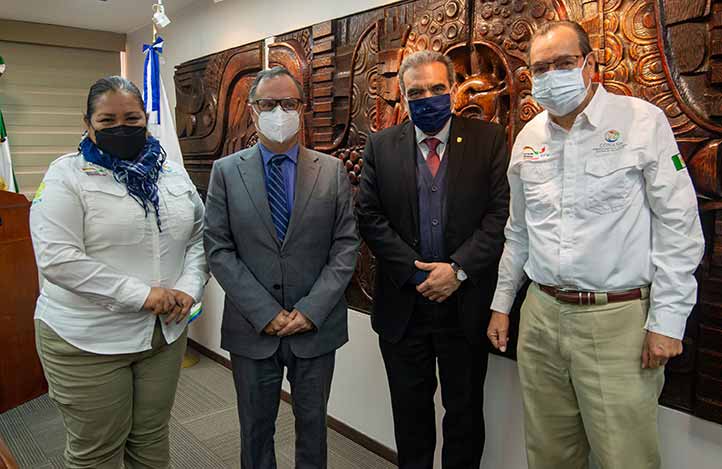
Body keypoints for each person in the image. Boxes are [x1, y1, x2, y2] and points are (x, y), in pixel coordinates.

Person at [487, 21, 706, 469]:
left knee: (625, 458)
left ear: (589, 65)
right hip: (542, 318)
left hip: (617, 321)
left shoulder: (642, 122)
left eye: (563, 63)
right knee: (550, 454)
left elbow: (679, 227)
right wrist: (502, 303)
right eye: (540, 67)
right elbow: (520, 231)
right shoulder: (528, 139)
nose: (551, 75)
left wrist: (668, 320)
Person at [30, 76, 209, 469]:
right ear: (87, 123)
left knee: (151, 439)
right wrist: (142, 295)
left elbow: (199, 237)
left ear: (146, 118)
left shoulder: (172, 174)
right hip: (86, 340)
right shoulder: (65, 177)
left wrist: (188, 287)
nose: (121, 128)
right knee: (98, 452)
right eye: (106, 120)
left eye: (131, 117)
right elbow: (57, 258)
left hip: (164, 335)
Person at [356, 50, 510, 469]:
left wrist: (457, 270)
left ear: (453, 89)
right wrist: (415, 272)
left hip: (465, 308)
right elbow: (368, 215)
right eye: (416, 91)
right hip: (404, 309)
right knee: (410, 417)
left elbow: (499, 216)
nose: (428, 97)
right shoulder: (381, 145)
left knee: (464, 416)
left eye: (437, 88)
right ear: (403, 97)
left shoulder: (488, 141)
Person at [204, 66, 359, 469]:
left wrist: (310, 310)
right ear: (252, 111)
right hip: (252, 328)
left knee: (313, 428)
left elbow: (345, 247)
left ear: (301, 109)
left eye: (288, 104)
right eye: (268, 104)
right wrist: (266, 311)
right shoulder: (225, 172)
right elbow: (218, 249)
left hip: (316, 328)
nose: (278, 112)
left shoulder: (332, 171)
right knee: (255, 431)